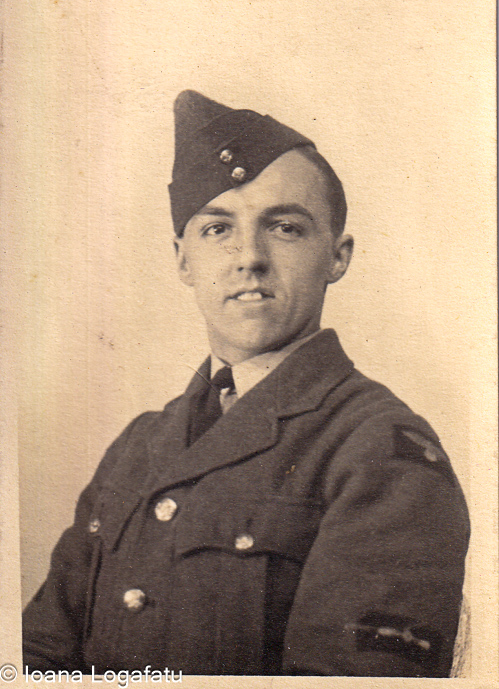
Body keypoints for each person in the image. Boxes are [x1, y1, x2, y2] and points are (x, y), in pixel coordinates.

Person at [23, 90, 470, 677]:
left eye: (284, 227)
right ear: (182, 260)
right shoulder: (138, 446)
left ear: (338, 256)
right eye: (216, 229)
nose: (248, 257)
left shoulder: (379, 448)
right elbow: (35, 660)